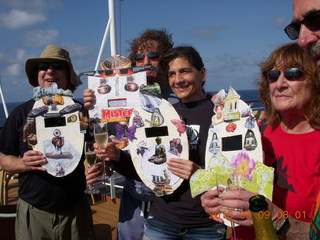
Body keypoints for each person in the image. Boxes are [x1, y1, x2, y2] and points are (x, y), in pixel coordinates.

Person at [91, 46, 226, 239]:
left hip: (206, 225)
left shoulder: (220, 115)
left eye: (185, 71)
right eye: (172, 74)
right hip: (161, 221)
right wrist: (117, 156)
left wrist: (199, 174)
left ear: (202, 74)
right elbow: (144, 166)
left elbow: (237, 175)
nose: (178, 80)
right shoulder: (160, 113)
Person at [201, 42, 320, 240]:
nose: (280, 84)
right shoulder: (260, 132)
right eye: (273, 76)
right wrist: (216, 200)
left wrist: (273, 217)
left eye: (292, 74)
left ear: (314, 81)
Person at [84, 29, 179, 240]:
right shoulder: (121, 99)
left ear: (165, 61)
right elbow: (111, 144)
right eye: (139, 57)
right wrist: (92, 108)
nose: (146, 61)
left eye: (153, 56)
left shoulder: (178, 99)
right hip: (133, 197)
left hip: (169, 200)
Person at [0, 45, 95, 240]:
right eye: (43, 66)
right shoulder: (20, 113)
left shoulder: (82, 113)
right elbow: (2, 157)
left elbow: (94, 150)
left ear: (68, 76)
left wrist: (99, 165)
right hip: (35, 211)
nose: (50, 70)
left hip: (75, 210)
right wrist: (21, 163)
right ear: (37, 74)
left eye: (58, 66)